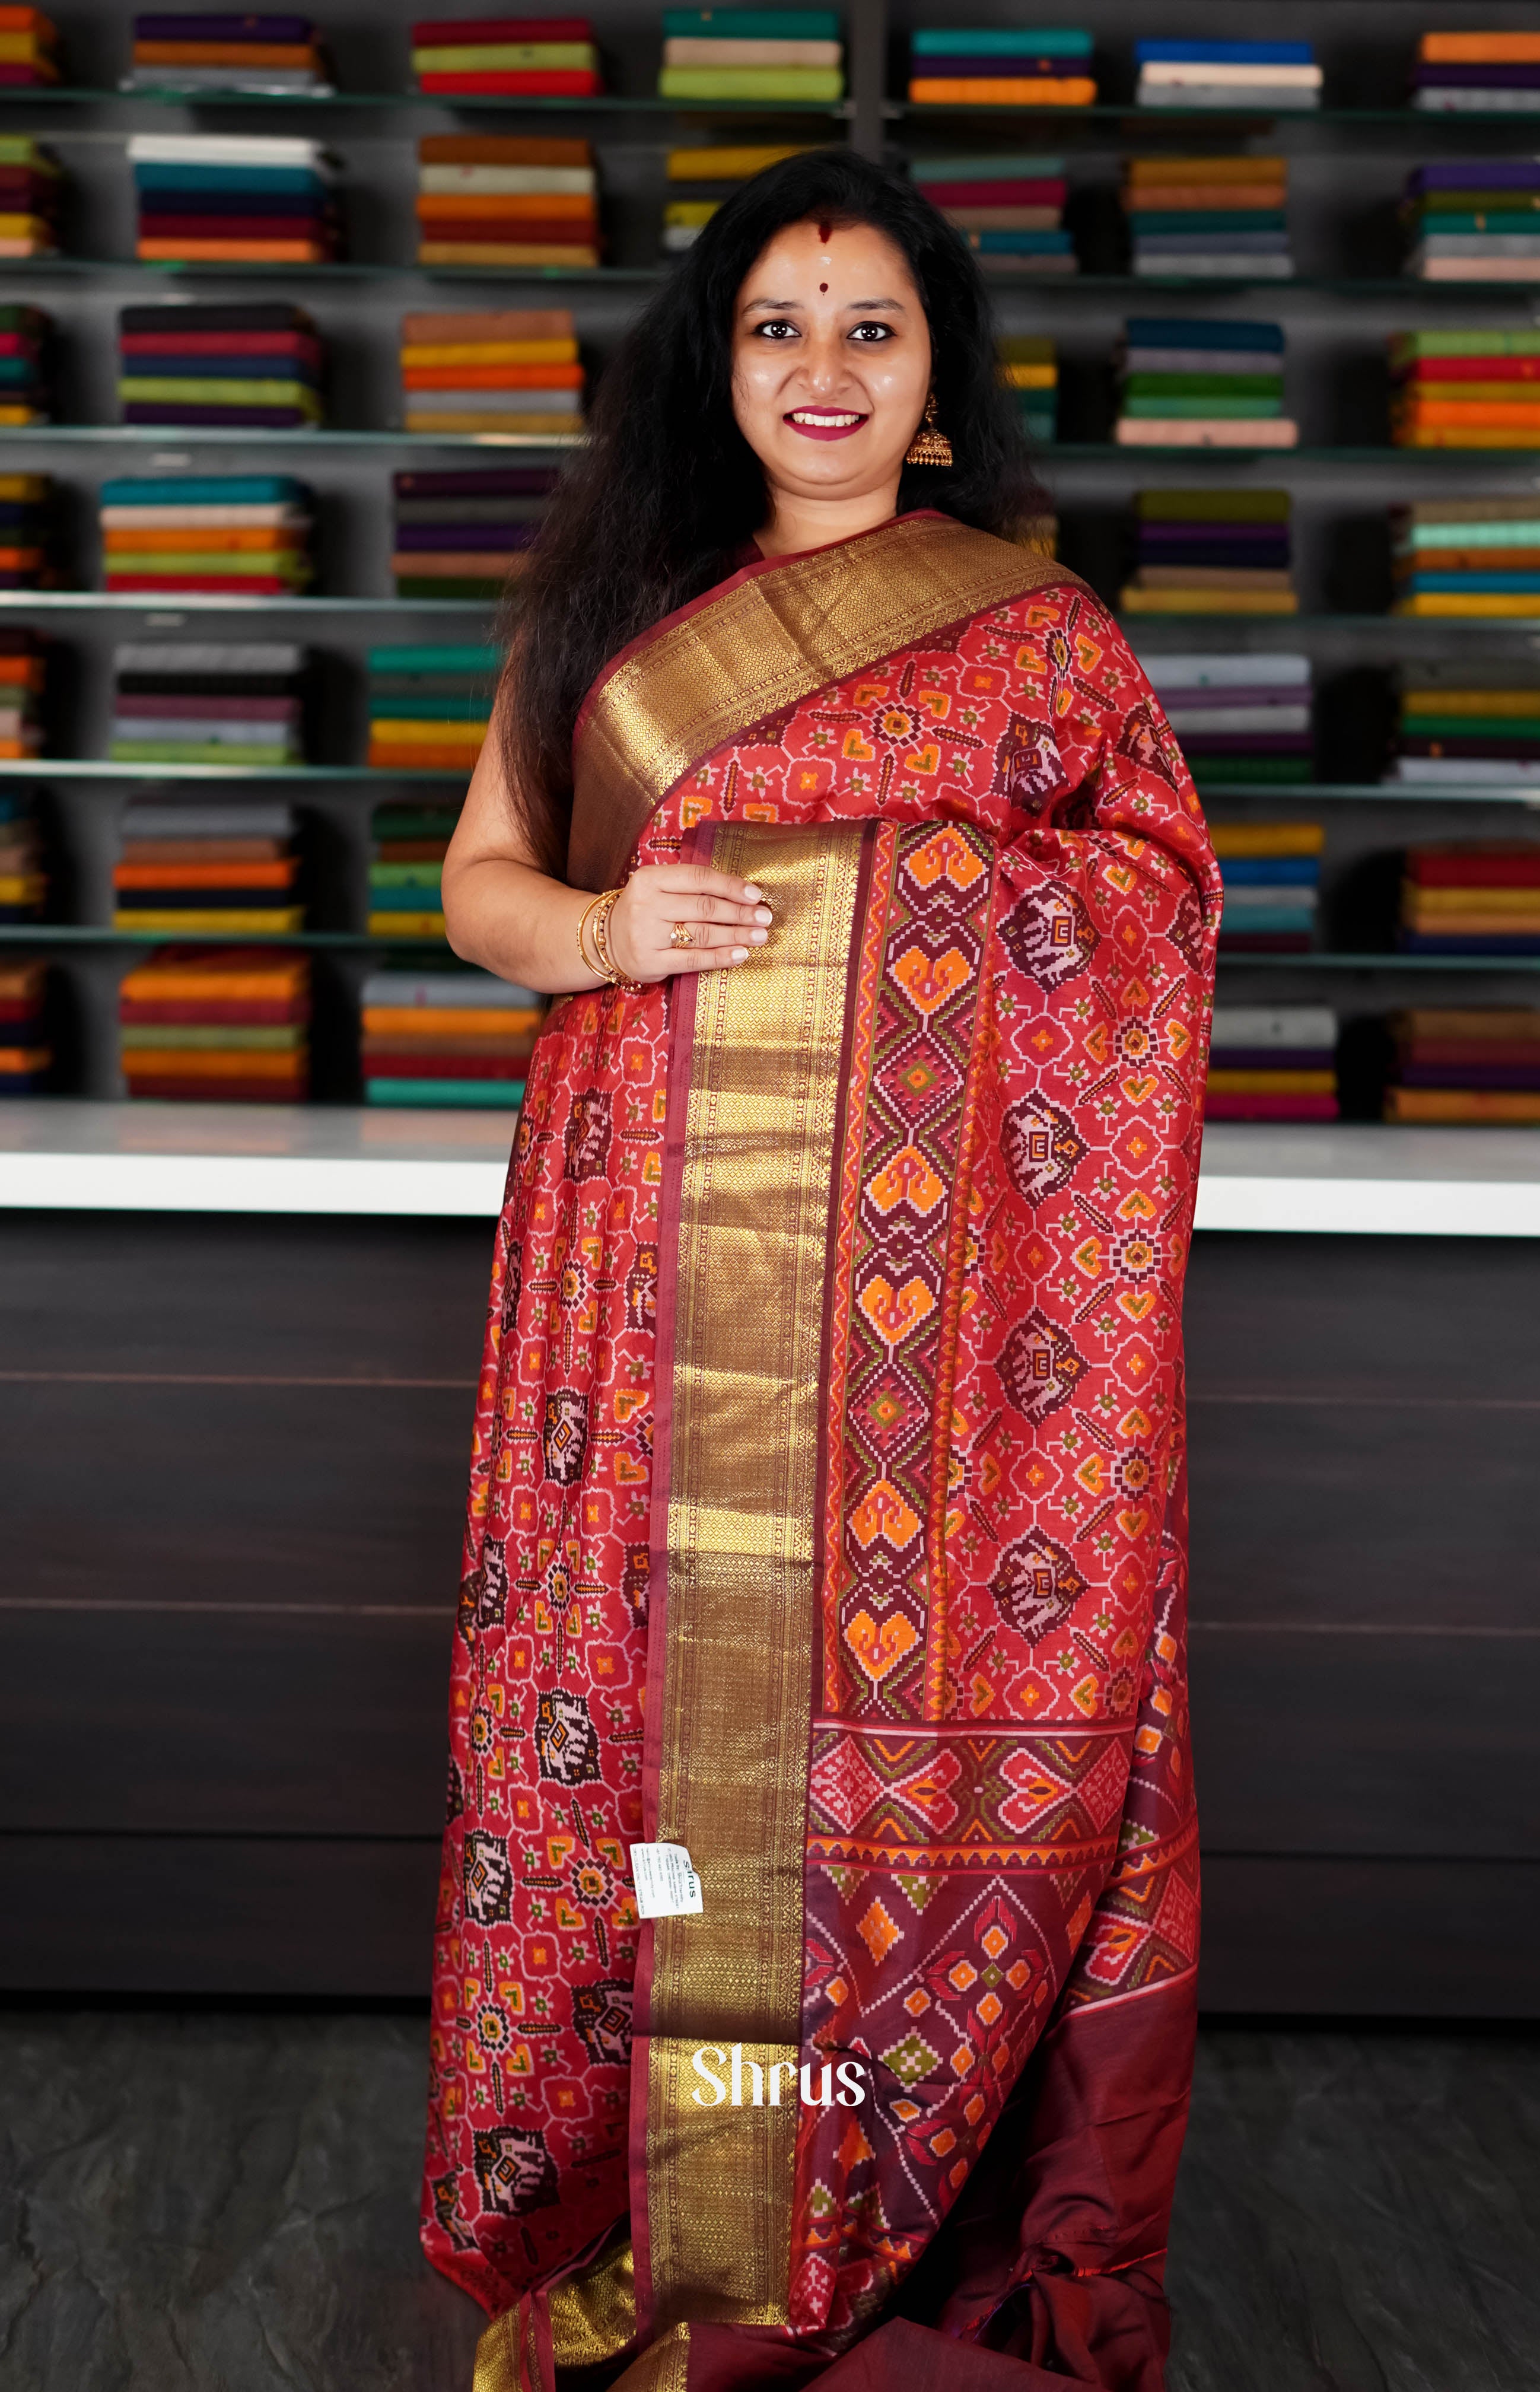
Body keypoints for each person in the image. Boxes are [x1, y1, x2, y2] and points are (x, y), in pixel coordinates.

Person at [420, 148, 1221, 2392]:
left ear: (939, 386)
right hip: (643, 1294)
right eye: (779, 324)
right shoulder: (606, 623)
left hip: (931, 1363)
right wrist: (602, 933)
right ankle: (655, 2194)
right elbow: (479, 884)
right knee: (660, 1743)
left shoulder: (1036, 631)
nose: (825, 367)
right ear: (720, 370)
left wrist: (893, 913)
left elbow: (1153, 920)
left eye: (872, 325)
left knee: (857, 1759)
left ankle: (873, 2189)